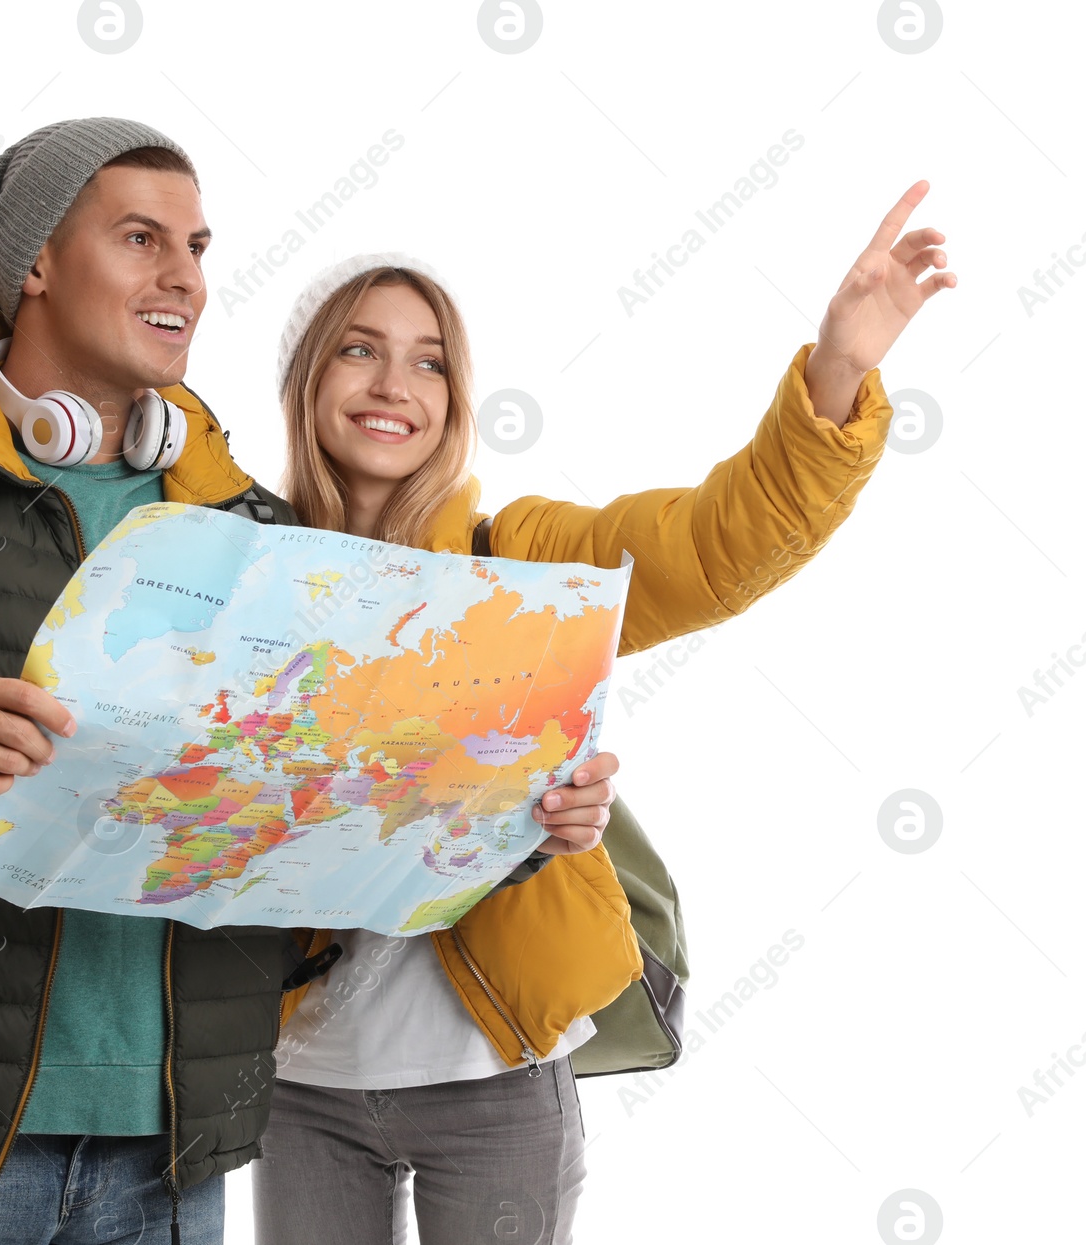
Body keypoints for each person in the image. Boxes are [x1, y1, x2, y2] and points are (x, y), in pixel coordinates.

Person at [0, 115, 608, 1245]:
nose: (185, 278)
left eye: (199, 247)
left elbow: (335, 831)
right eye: (139, 238)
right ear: (33, 266)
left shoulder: (251, 531)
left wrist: (512, 823)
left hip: (171, 1165)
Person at [253, 185, 956, 1245]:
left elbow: (714, 545)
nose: (397, 383)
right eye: (359, 350)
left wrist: (838, 369)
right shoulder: (241, 576)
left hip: (492, 1075)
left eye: (430, 359)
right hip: (296, 1084)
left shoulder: (519, 561)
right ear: (306, 382)